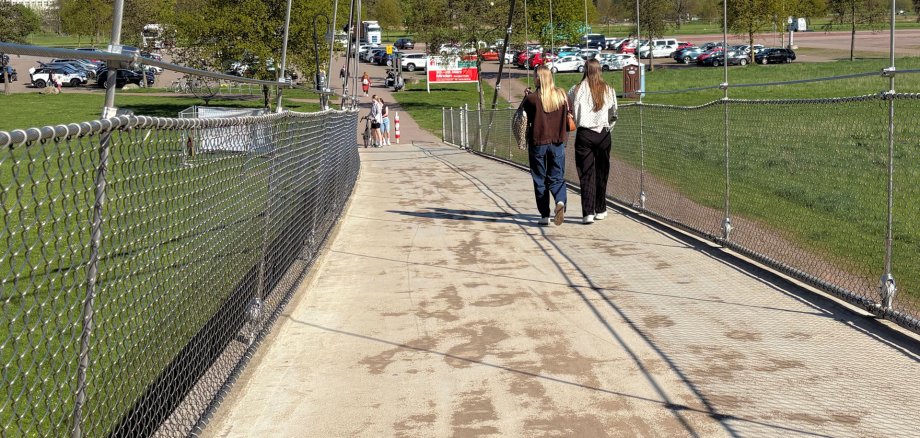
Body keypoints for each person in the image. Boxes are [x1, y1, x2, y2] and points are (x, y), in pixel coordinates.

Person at [568, 59, 618, 224]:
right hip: (603, 134)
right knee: (602, 171)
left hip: (585, 134)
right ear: (599, 71)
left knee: (586, 173)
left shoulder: (575, 89)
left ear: (585, 70)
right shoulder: (609, 90)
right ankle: (601, 208)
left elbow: (570, 107)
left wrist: (577, 117)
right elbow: (614, 112)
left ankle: (588, 212)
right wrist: (608, 125)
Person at [520, 66, 568, 226]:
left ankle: (544, 215)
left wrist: (525, 97)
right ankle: (560, 202)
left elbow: (521, 116)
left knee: (540, 178)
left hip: (538, 142)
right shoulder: (562, 95)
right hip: (557, 142)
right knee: (556, 177)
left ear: (538, 79)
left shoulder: (532, 98)